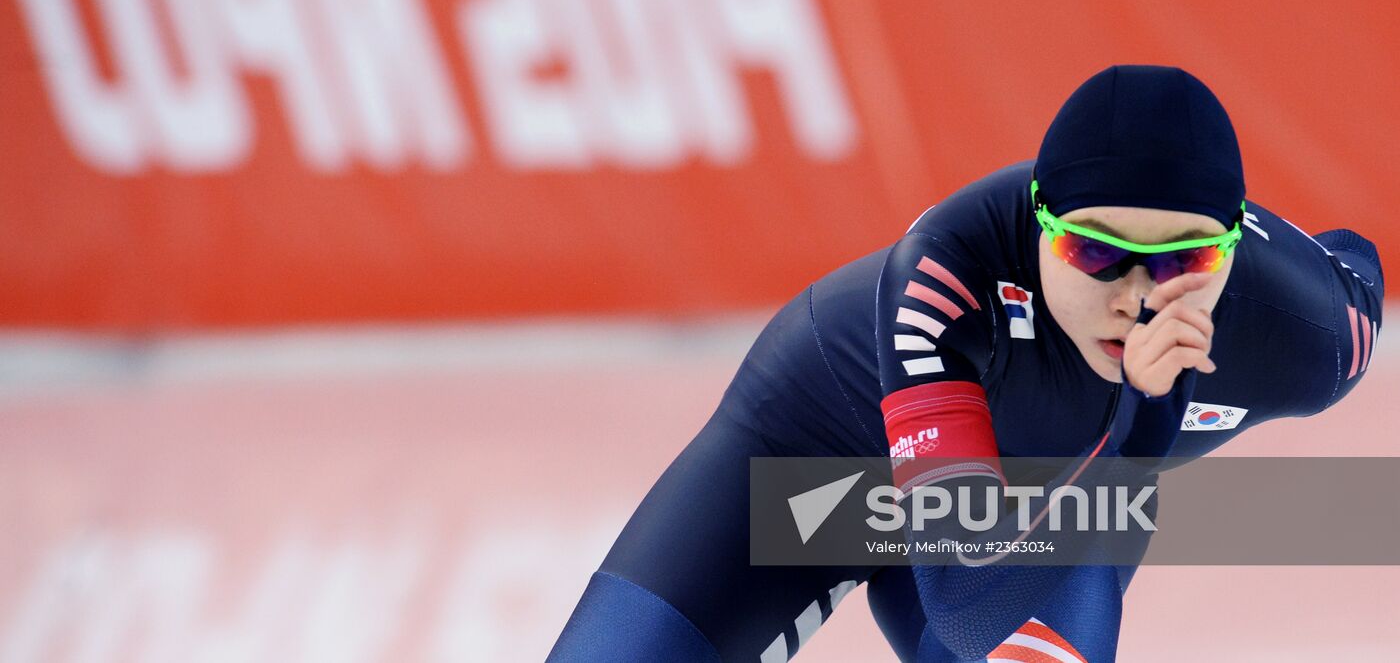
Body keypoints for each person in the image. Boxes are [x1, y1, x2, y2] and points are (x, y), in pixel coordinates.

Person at [547, 66, 1385, 662]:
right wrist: (1139, 431)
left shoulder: (1305, 336)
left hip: (1035, 503)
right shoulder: (947, 266)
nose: (1137, 296)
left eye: (1183, 261)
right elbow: (961, 603)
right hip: (819, 463)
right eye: (1096, 252)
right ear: (1037, 224)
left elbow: (1357, 268)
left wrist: (1139, 429)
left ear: (1233, 250)